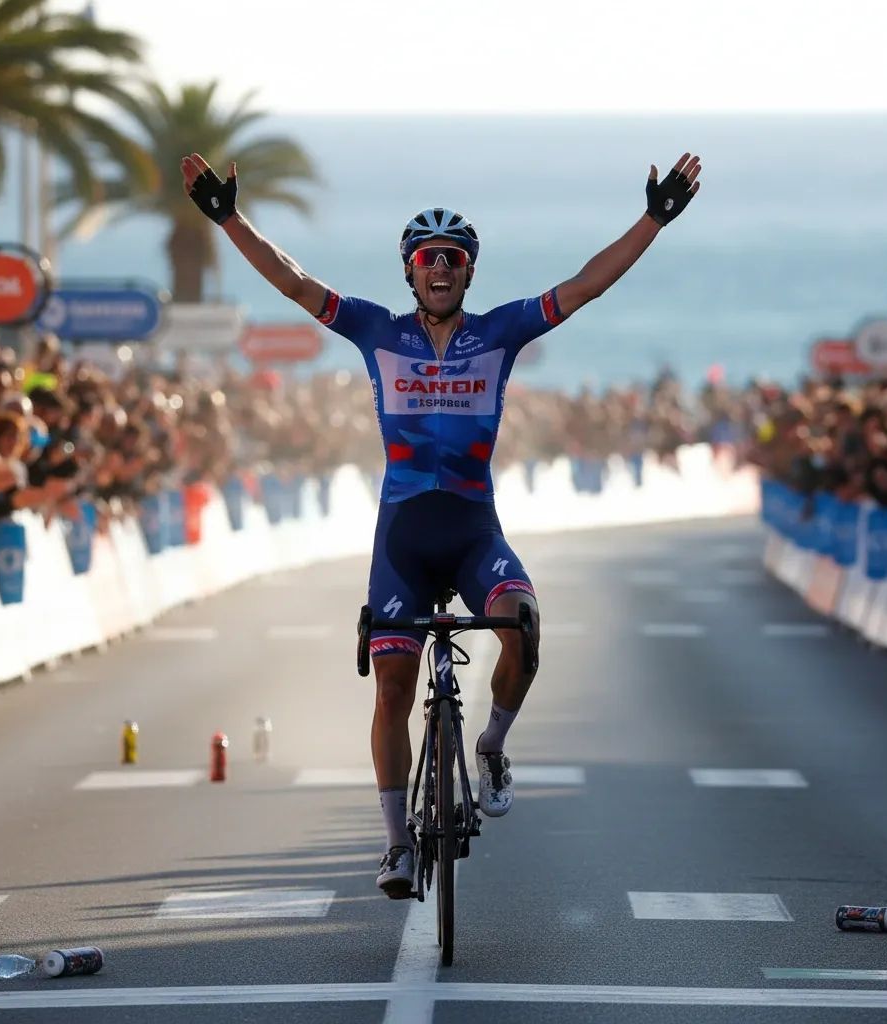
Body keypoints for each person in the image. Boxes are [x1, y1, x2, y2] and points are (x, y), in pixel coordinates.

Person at [181, 149, 701, 897]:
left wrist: (652, 219)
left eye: (454, 258)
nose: (441, 267)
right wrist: (230, 220)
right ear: (409, 270)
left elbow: (585, 285)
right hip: (401, 539)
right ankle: (396, 845)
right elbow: (295, 283)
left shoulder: (499, 333)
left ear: (469, 271)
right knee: (392, 689)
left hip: (472, 534)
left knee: (522, 623)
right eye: (428, 257)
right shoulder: (374, 331)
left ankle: (489, 744)